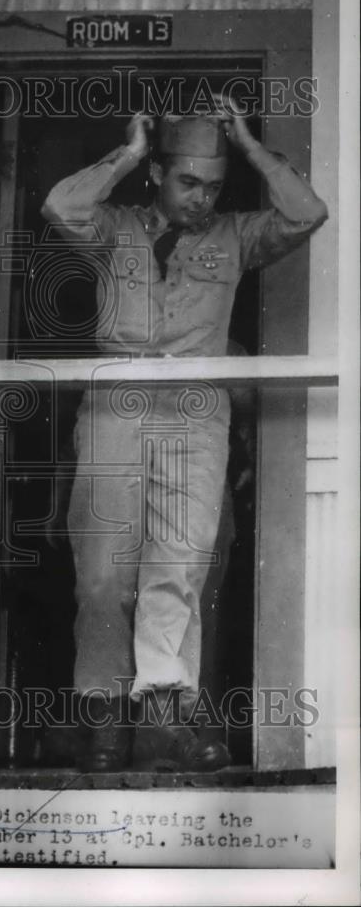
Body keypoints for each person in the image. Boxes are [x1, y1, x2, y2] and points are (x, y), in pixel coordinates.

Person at [41, 104, 328, 772]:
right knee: (104, 570)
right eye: (188, 182)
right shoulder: (113, 226)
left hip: (197, 409)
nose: (202, 198)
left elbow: (306, 212)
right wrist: (129, 152)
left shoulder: (237, 235)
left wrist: (252, 148)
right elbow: (61, 205)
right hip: (117, 399)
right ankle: (105, 716)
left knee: (181, 560)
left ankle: (162, 712)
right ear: (159, 175)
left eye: (214, 186)